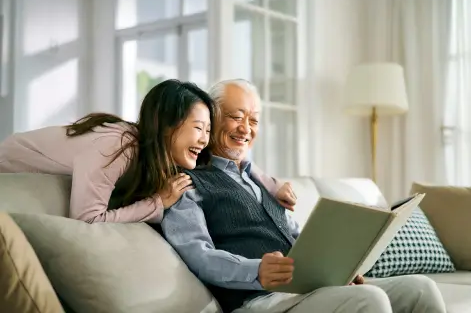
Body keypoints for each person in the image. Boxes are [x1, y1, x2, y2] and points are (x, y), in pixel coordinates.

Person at [161, 79, 447, 313]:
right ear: (211, 120)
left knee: (421, 288)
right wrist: (255, 270)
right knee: (370, 301)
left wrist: (340, 270)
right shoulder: (190, 183)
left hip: (306, 291)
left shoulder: (263, 182)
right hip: (259, 301)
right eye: (236, 117)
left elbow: (298, 237)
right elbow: (198, 255)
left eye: (254, 120)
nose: (246, 128)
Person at [0, 79, 214, 224]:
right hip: (8, 164)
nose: (204, 140)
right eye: (198, 128)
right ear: (167, 125)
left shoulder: (150, 157)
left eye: (208, 130)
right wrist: (157, 202)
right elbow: (87, 219)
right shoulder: (118, 146)